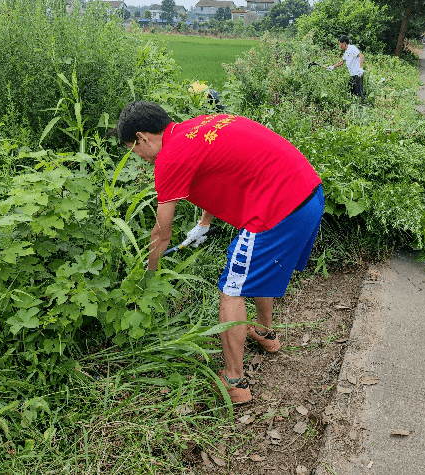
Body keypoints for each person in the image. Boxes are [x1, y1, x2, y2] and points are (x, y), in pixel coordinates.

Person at [116, 101, 324, 404]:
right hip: (308, 194)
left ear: (142, 137)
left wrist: (148, 276)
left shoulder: (169, 160)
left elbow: (162, 234)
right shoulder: (199, 125)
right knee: (256, 271)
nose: (138, 157)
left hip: (277, 211)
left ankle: (233, 381)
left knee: (231, 289)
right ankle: (266, 335)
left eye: (133, 149)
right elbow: (221, 172)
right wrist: (203, 223)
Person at [328, 35, 365, 101]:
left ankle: (362, 107)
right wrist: (333, 67)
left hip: (358, 74)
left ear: (344, 43)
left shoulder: (352, 48)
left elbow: (361, 56)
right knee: (350, 91)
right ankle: (354, 106)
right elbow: (342, 62)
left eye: (340, 44)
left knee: (359, 93)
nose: (339, 46)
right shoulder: (346, 52)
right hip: (353, 75)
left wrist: (360, 68)